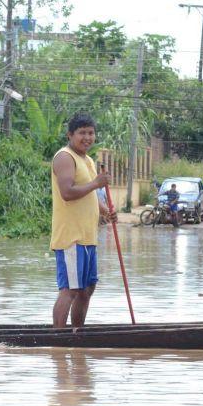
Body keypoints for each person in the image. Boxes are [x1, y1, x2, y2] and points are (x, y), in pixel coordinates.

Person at [50, 113, 116, 329]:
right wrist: (97, 183)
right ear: (70, 135)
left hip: (88, 237)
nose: (87, 138)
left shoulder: (87, 160)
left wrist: (106, 211)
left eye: (91, 133)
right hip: (71, 237)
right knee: (70, 290)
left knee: (86, 289)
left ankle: (77, 333)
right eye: (82, 133)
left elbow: (89, 195)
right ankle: (58, 338)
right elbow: (67, 192)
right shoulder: (64, 157)